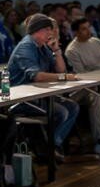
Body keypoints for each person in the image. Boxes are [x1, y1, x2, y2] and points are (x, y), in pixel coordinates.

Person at [6, 14, 79, 159]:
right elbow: (37, 76)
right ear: (36, 30)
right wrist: (64, 77)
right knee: (61, 112)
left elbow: (60, 70)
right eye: (46, 30)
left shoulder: (41, 46)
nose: (50, 33)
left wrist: (56, 51)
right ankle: (47, 148)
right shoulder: (26, 47)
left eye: (51, 30)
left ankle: (52, 145)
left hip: (39, 95)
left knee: (73, 107)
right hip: (21, 99)